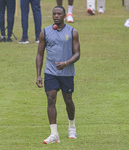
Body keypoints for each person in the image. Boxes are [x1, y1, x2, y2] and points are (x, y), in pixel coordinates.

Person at [36, 6, 80, 144]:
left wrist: (66, 63)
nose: (56, 16)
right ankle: (54, 134)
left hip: (67, 73)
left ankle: (72, 126)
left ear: (64, 15)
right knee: (50, 99)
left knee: (68, 101)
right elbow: (39, 54)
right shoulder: (45, 32)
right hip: (50, 72)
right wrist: (38, 75)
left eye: (59, 14)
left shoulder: (72, 32)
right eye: (54, 13)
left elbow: (77, 54)